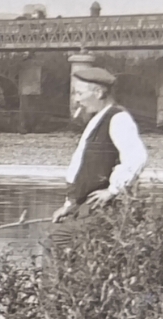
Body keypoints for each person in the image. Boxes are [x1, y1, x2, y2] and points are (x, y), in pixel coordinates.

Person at [49, 65, 147, 246]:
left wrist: (113, 190)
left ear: (99, 93)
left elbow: (136, 157)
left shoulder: (118, 118)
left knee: (58, 239)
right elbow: (82, 168)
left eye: (80, 93)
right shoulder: (98, 119)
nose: (77, 99)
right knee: (60, 241)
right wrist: (69, 205)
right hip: (84, 206)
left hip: (100, 208)